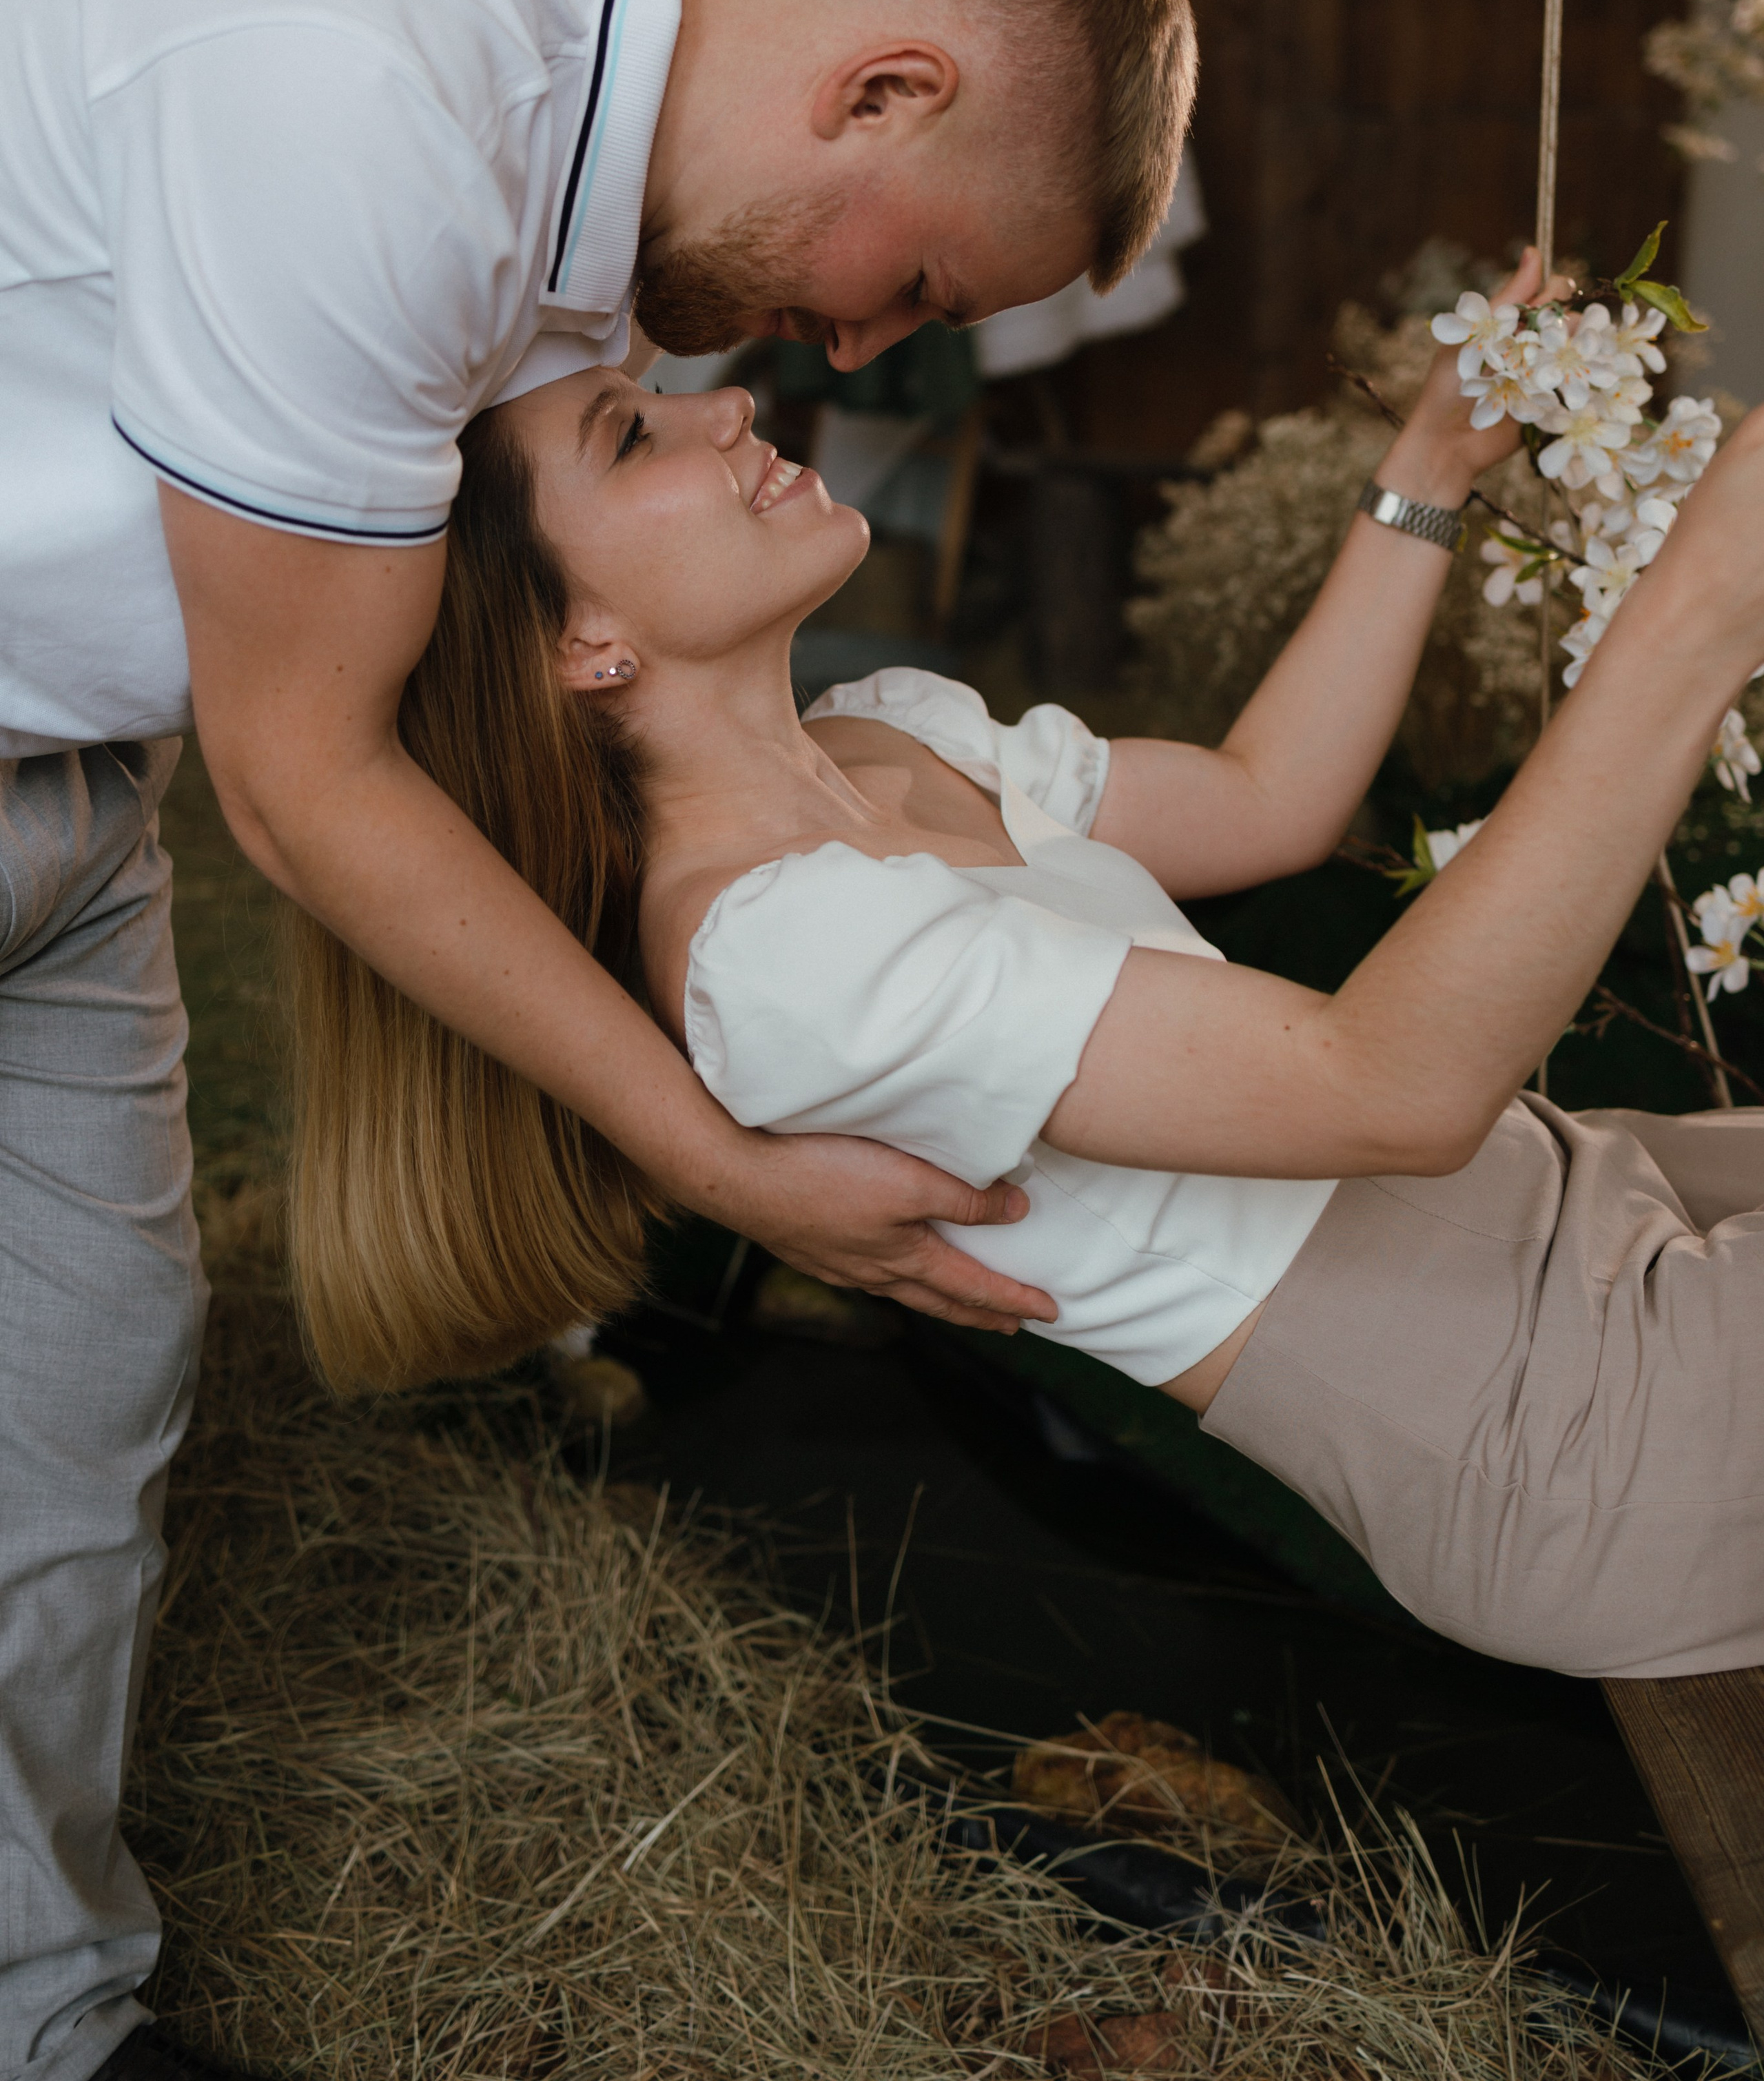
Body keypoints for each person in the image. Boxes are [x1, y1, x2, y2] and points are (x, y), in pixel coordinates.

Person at [0, 0, 1191, 2081]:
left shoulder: (579, 223)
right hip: (153, 765)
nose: (861, 348)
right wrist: (713, 1160)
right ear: (883, 91)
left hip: (61, 787)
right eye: (923, 281)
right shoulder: (366, 85)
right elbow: (310, 782)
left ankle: (43, 2032)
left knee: (78, 1399)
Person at [291, 267, 1764, 1681]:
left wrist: (1424, 468)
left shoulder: (886, 736)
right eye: (634, 436)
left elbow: (1267, 795)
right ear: (582, 646)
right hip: (1557, 1426)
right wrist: (1688, 621)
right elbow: (1392, 1089)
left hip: (1585, 1199)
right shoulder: (781, 958)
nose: (727, 410)